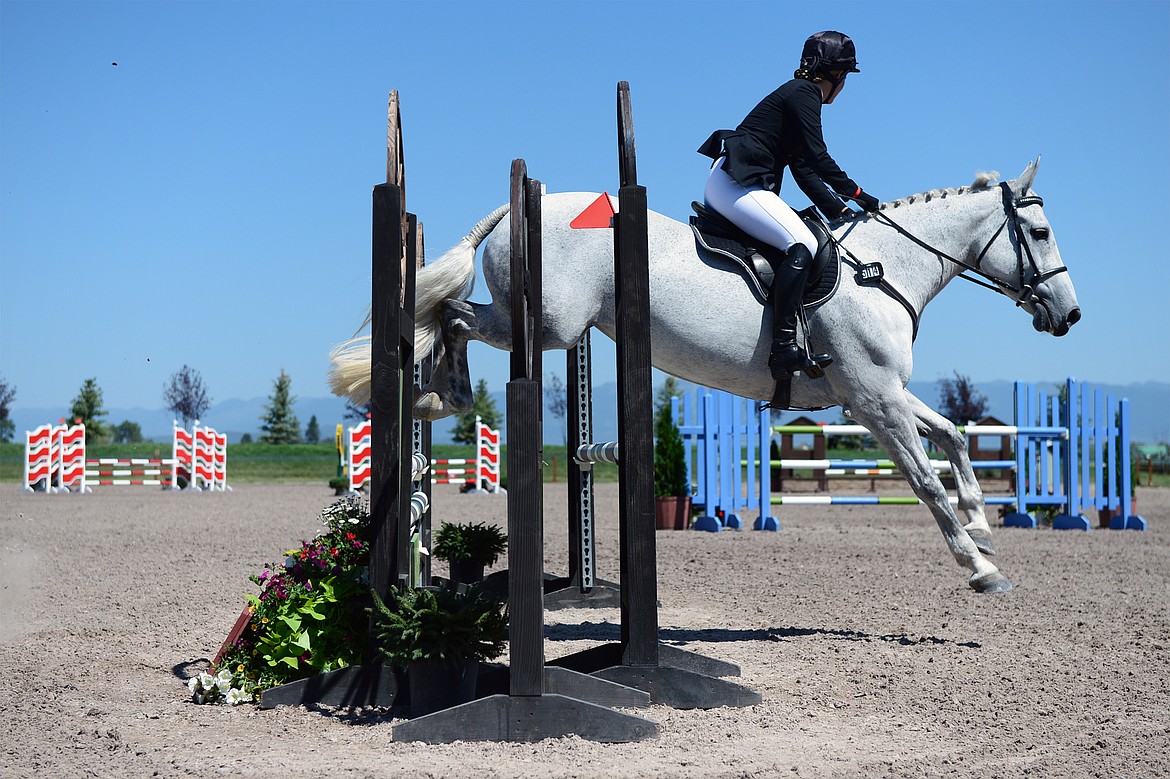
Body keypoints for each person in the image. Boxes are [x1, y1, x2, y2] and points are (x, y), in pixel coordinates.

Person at [698, 30, 879, 379]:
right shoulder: (805, 93)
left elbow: (803, 168)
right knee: (803, 244)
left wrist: (839, 211)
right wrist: (857, 192)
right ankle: (782, 348)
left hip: (734, 181)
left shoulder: (797, 94)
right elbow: (818, 155)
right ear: (838, 75)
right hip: (736, 183)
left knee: (803, 238)